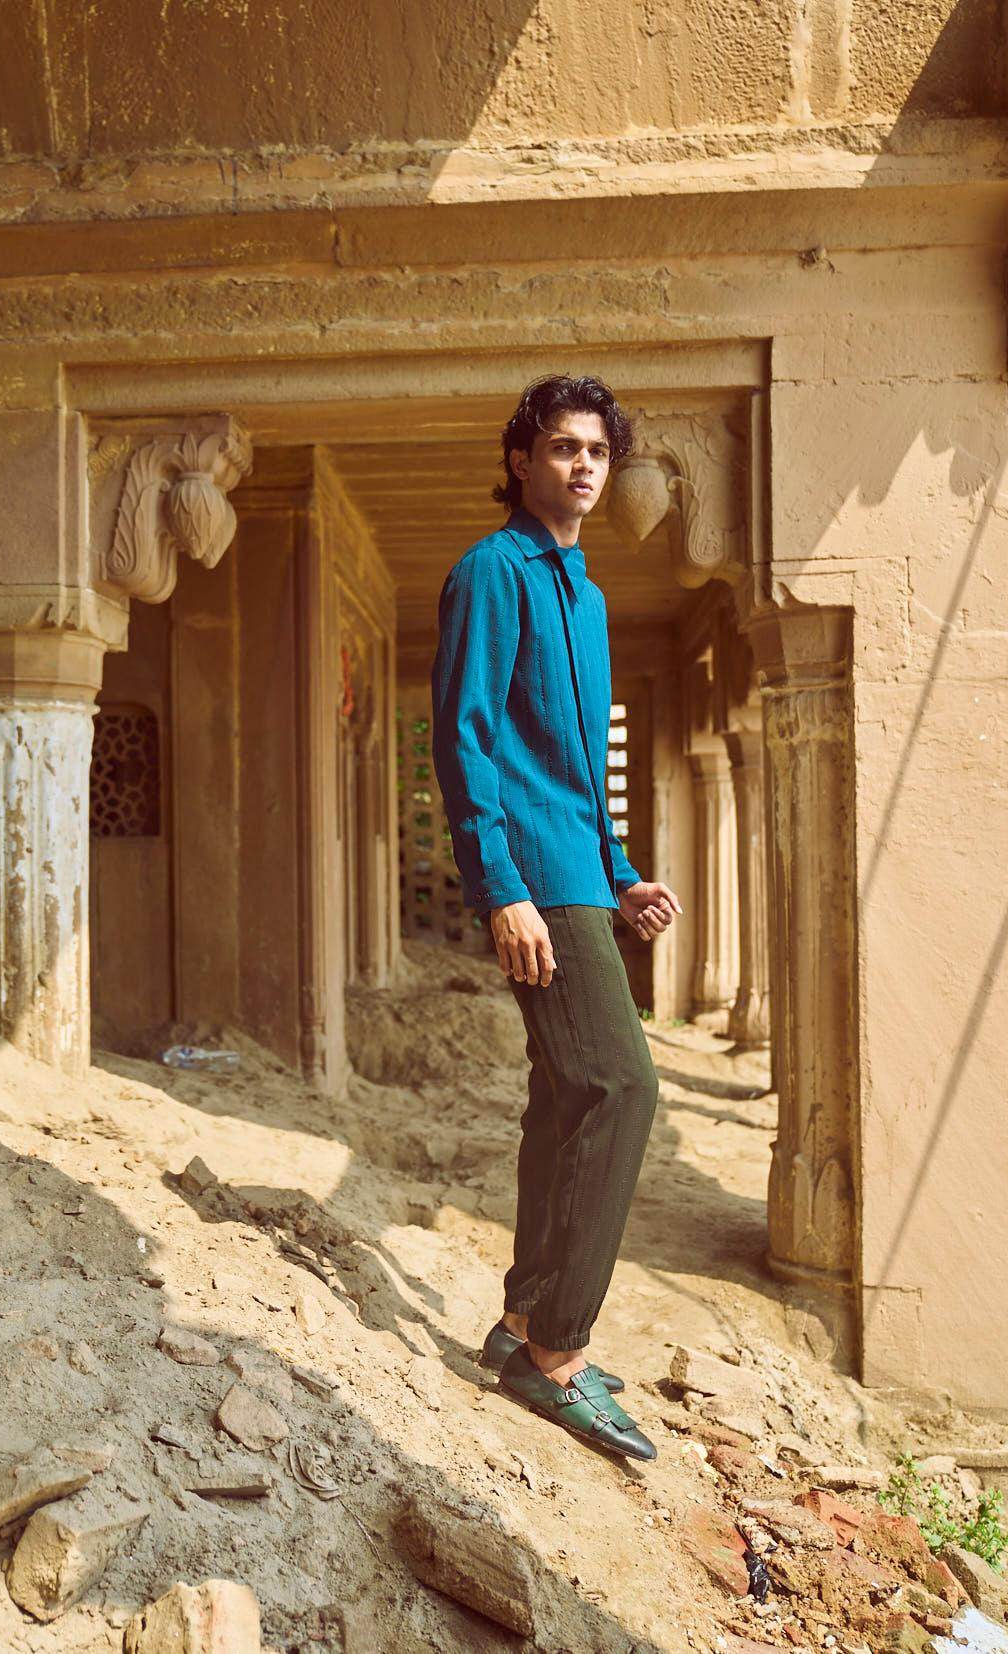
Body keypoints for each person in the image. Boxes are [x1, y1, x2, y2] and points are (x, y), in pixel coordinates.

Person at [430, 374, 682, 1464]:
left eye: (596, 451)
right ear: (522, 460)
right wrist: (502, 890)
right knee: (622, 1085)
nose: (582, 465)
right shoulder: (491, 572)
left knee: (565, 1095)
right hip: (533, 878)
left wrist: (620, 874)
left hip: (579, 875)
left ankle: (524, 1319)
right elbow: (466, 739)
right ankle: (556, 1354)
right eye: (563, 447)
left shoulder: (584, 593)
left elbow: (579, 761)